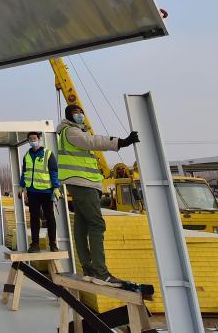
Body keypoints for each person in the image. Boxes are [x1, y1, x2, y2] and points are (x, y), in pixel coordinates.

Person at [57, 104, 138, 285]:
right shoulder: (72, 132)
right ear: (69, 116)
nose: (80, 115)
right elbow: (94, 142)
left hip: (81, 182)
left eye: (81, 112)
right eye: (76, 112)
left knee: (82, 223)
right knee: (96, 224)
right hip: (82, 182)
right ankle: (101, 271)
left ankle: (88, 267)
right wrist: (120, 142)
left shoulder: (70, 133)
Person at [20, 131, 60, 252]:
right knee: (34, 218)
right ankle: (35, 244)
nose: (32, 141)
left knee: (49, 217)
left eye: (34, 138)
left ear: (39, 139)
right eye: (30, 139)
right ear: (28, 141)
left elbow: (53, 172)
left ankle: (53, 243)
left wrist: (56, 187)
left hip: (46, 192)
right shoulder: (26, 155)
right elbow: (24, 172)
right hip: (32, 192)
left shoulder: (48, 154)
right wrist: (22, 186)